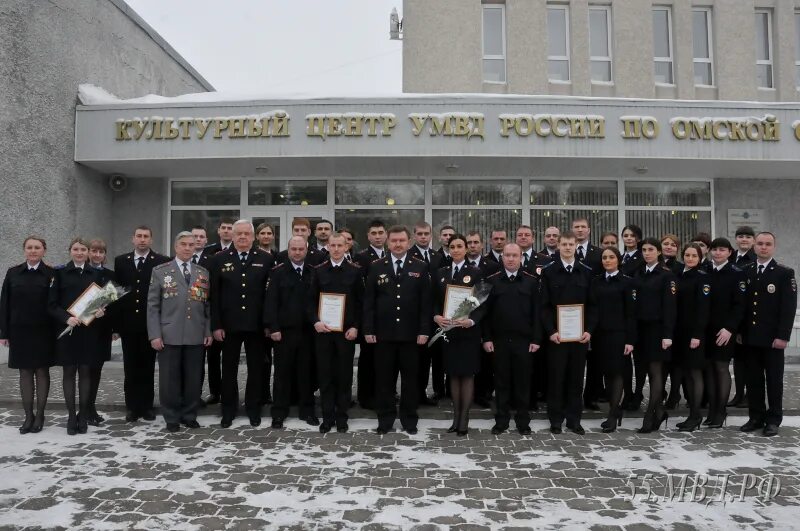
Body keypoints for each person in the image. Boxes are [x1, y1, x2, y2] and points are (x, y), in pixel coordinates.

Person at [364, 226, 431, 435]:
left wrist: (424, 330)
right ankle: (385, 420)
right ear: (388, 242)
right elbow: (369, 302)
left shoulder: (420, 266)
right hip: (384, 335)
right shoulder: (376, 266)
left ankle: (409, 420)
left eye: (402, 240)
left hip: (411, 336)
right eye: (394, 241)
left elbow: (425, 303)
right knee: (384, 380)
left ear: (409, 242)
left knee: (411, 381)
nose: (398, 244)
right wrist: (368, 328)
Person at [209, 220, 274, 428]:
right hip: (229, 326)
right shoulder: (219, 259)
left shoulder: (265, 259)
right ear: (232, 236)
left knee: (256, 369)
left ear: (254, 237)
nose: (243, 237)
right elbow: (215, 295)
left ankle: (253, 408)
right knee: (228, 370)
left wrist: (268, 323)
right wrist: (216, 325)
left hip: (256, 326)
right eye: (239, 234)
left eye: (247, 234)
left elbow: (270, 296)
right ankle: (228, 409)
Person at [147, 232, 213, 432]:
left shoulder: (202, 272)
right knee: (169, 380)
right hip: (169, 334)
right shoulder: (161, 271)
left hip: (195, 333)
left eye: (191, 245)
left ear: (195, 248)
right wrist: (155, 334)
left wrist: (208, 331)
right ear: (176, 247)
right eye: (183, 244)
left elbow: (207, 305)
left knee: (193, 378)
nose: (187, 248)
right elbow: (152, 306)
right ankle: (172, 417)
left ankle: (190, 414)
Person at [49, 238, 109, 435]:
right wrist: (66, 318)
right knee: (68, 373)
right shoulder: (59, 273)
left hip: (89, 331)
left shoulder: (96, 274)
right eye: (76, 249)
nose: (80, 252)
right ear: (70, 251)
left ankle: (83, 415)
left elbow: (103, 301)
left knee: (85, 372)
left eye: (83, 249)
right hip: (68, 330)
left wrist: (101, 311)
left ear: (87, 253)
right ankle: (71, 416)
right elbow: (51, 304)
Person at [740, 232, 797, 437]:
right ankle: (756, 417)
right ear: (754, 246)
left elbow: (788, 308)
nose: (763, 247)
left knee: (774, 380)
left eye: (768, 244)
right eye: (760, 244)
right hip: (751, 338)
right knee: (753, 380)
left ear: (774, 247)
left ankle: (773, 419)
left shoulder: (784, 273)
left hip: (773, 339)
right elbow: (743, 306)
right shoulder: (746, 271)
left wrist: (783, 336)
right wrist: (740, 332)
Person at [539, 232, 597, 435]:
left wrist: (589, 330)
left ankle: (574, 420)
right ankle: (556, 420)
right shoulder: (549, 272)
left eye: (571, 244)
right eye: (564, 244)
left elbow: (593, 306)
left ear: (576, 246)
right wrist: (551, 331)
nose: (567, 247)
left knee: (575, 380)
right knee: (556, 380)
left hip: (579, 337)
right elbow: (544, 306)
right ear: (559, 247)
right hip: (557, 337)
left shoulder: (586, 272)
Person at [482, 243, 541, 436]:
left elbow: (537, 314)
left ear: (521, 257)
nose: (510, 259)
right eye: (507, 255)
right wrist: (487, 338)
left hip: (524, 342)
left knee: (523, 383)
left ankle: (523, 421)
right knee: (501, 383)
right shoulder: (492, 281)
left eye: (515, 255)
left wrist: (536, 339)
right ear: (502, 258)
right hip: (499, 341)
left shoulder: (531, 281)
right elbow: (485, 313)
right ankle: (502, 420)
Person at [308, 233, 363, 433]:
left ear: (347, 247)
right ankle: (327, 417)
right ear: (328, 247)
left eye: (340, 245)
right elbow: (310, 301)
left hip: (345, 334)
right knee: (325, 376)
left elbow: (360, 303)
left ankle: (342, 417)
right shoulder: (319, 270)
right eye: (333, 245)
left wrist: (356, 326)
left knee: (344, 376)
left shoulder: (355, 271)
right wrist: (315, 321)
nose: (337, 249)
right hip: (324, 332)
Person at [113, 226, 169, 422]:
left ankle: (146, 406)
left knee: (147, 367)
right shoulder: (121, 261)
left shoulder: (161, 261)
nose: (142, 240)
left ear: (151, 240)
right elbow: (117, 293)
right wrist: (116, 326)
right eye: (139, 236)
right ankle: (132, 406)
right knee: (130, 367)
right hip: (128, 324)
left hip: (150, 324)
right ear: (133, 239)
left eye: (146, 236)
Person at [0, 236, 55, 434]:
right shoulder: (13, 273)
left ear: (44, 250)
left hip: (43, 331)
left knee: (41, 372)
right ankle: (28, 416)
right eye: (29, 247)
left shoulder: (51, 273)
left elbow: (56, 305)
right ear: (24, 250)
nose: (33, 250)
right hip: (20, 331)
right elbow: (4, 303)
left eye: (37, 247)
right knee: (24, 373)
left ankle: (40, 415)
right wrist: (4, 332)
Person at [432, 234, 485, 435]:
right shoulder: (441, 273)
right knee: (453, 374)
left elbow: (482, 303)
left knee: (467, 374)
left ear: (465, 249)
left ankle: (464, 419)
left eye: (459, 246)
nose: (455, 249)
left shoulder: (476, 272)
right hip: (449, 332)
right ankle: (455, 417)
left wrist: (471, 320)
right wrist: (436, 316)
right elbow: (435, 300)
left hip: (468, 331)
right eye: (452, 246)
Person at [265, 236, 318, 429]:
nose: (297, 252)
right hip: (284, 333)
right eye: (293, 249)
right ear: (288, 250)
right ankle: (279, 412)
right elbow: (271, 302)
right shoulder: (278, 273)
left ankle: (307, 411)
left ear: (306, 250)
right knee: (282, 374)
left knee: (306, 374)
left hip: (307, 333)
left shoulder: (313, 272)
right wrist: (274, 328)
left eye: (300, 249)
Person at [630, 238, 676, 433]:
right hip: (641, 329)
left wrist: (668, 334)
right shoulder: (638, 273)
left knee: (656, 372)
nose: (646, 253)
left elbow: (670, 308)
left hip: (658, 330)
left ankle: (650, 415)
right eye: (644, 250)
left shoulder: (666, 276)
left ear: (658, 252)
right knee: (644, 369)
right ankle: (659, 412)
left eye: (650, 249)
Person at [590, 247, 636, 433]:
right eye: (604, 258)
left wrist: (630, 339)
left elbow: (631, 314)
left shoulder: (627, 282)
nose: (607, 260)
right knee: (606, 373)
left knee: (617, 373)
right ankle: (613, 408)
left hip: (619, 334)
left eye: (611, 257)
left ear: (618, 260)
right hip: (600, 334)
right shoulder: (596, 281)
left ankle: (613, 412)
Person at [704, 237, 745, 428]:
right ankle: (712, 410)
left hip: (725, 330)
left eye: (722, 250)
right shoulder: (705, 271)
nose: (717, 253)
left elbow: (740, 305)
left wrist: (730, 328)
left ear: (730, 252)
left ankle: (721, 411)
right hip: (706, 329)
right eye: (715, 249)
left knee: (721, 368)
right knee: (709, 369)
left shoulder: (736, 273)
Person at [673, 244, 711, 432]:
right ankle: (692, 414)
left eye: (693, 255)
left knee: (695, 373)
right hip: (679, 332)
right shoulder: (679, 275)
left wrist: (697, 334)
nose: (689, 258)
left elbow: (703, 310)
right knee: (686, 372)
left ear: (699, 257)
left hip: (694, 334)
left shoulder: (702, 278)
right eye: (686, 255)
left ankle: (696, 414)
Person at [407, 221, 442, 406]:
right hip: (414, 314)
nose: (423, 237)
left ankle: (423, 394)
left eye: (426, 234)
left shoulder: (437, 257)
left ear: (431, 235)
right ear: (414, 236)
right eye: (419, 234)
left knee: (427, 359)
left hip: (434, 315)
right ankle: (412, 395)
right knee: (414, 360)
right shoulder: (408, 255)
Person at [354, 219, 387, 410]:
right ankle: (365, 396)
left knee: (383, 360)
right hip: (369, 314)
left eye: (380, 232)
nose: (377, 236)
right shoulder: (361, 257)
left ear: (385, 235)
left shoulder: (391, 255)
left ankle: (382, 392)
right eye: (373, 233)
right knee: (367, 359)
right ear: (368, 236)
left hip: (386, 317)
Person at [465, 230, 499, 408]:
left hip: (487, 317)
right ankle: (466, 393)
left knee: (486, 360)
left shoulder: (492, 266)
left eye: (475, 242)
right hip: (465, 318)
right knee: (469, 358)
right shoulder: (459, 265)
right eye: (469, 242)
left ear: (482, 244)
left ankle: (484, 393)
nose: (472, 245)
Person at [86, 239, 116, 426]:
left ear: (105, 255)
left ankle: (91, 407)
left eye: (101, 252)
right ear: (89, 252)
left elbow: (114, 303)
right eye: (94, 251)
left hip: (102, 329)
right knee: (84, 370)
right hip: (83, 328)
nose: (97, 255)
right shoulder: (82, 273)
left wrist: (114, 328)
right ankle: (84, 407)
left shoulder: (110, 275)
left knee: (96, 370)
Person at [729, 226, 756, 407]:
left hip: (750, 320)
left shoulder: (756, 260)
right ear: (736, 239)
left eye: (748, 237)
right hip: (733, 319)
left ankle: (750, 395)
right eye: (740, 236)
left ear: (753, 240)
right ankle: (738, 394)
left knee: (751, 361)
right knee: (738, 361)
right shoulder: (730, 259)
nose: (744, 239)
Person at [255, 221, 278, 407]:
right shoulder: (254, 256)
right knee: (261, 359)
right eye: (262, 233)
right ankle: (261, 392)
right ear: (257, 236)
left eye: (269, 233)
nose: (266, 236)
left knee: (273, 359)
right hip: (258, 315)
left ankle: (272, 393)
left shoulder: (278, 257)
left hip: (275, 316)